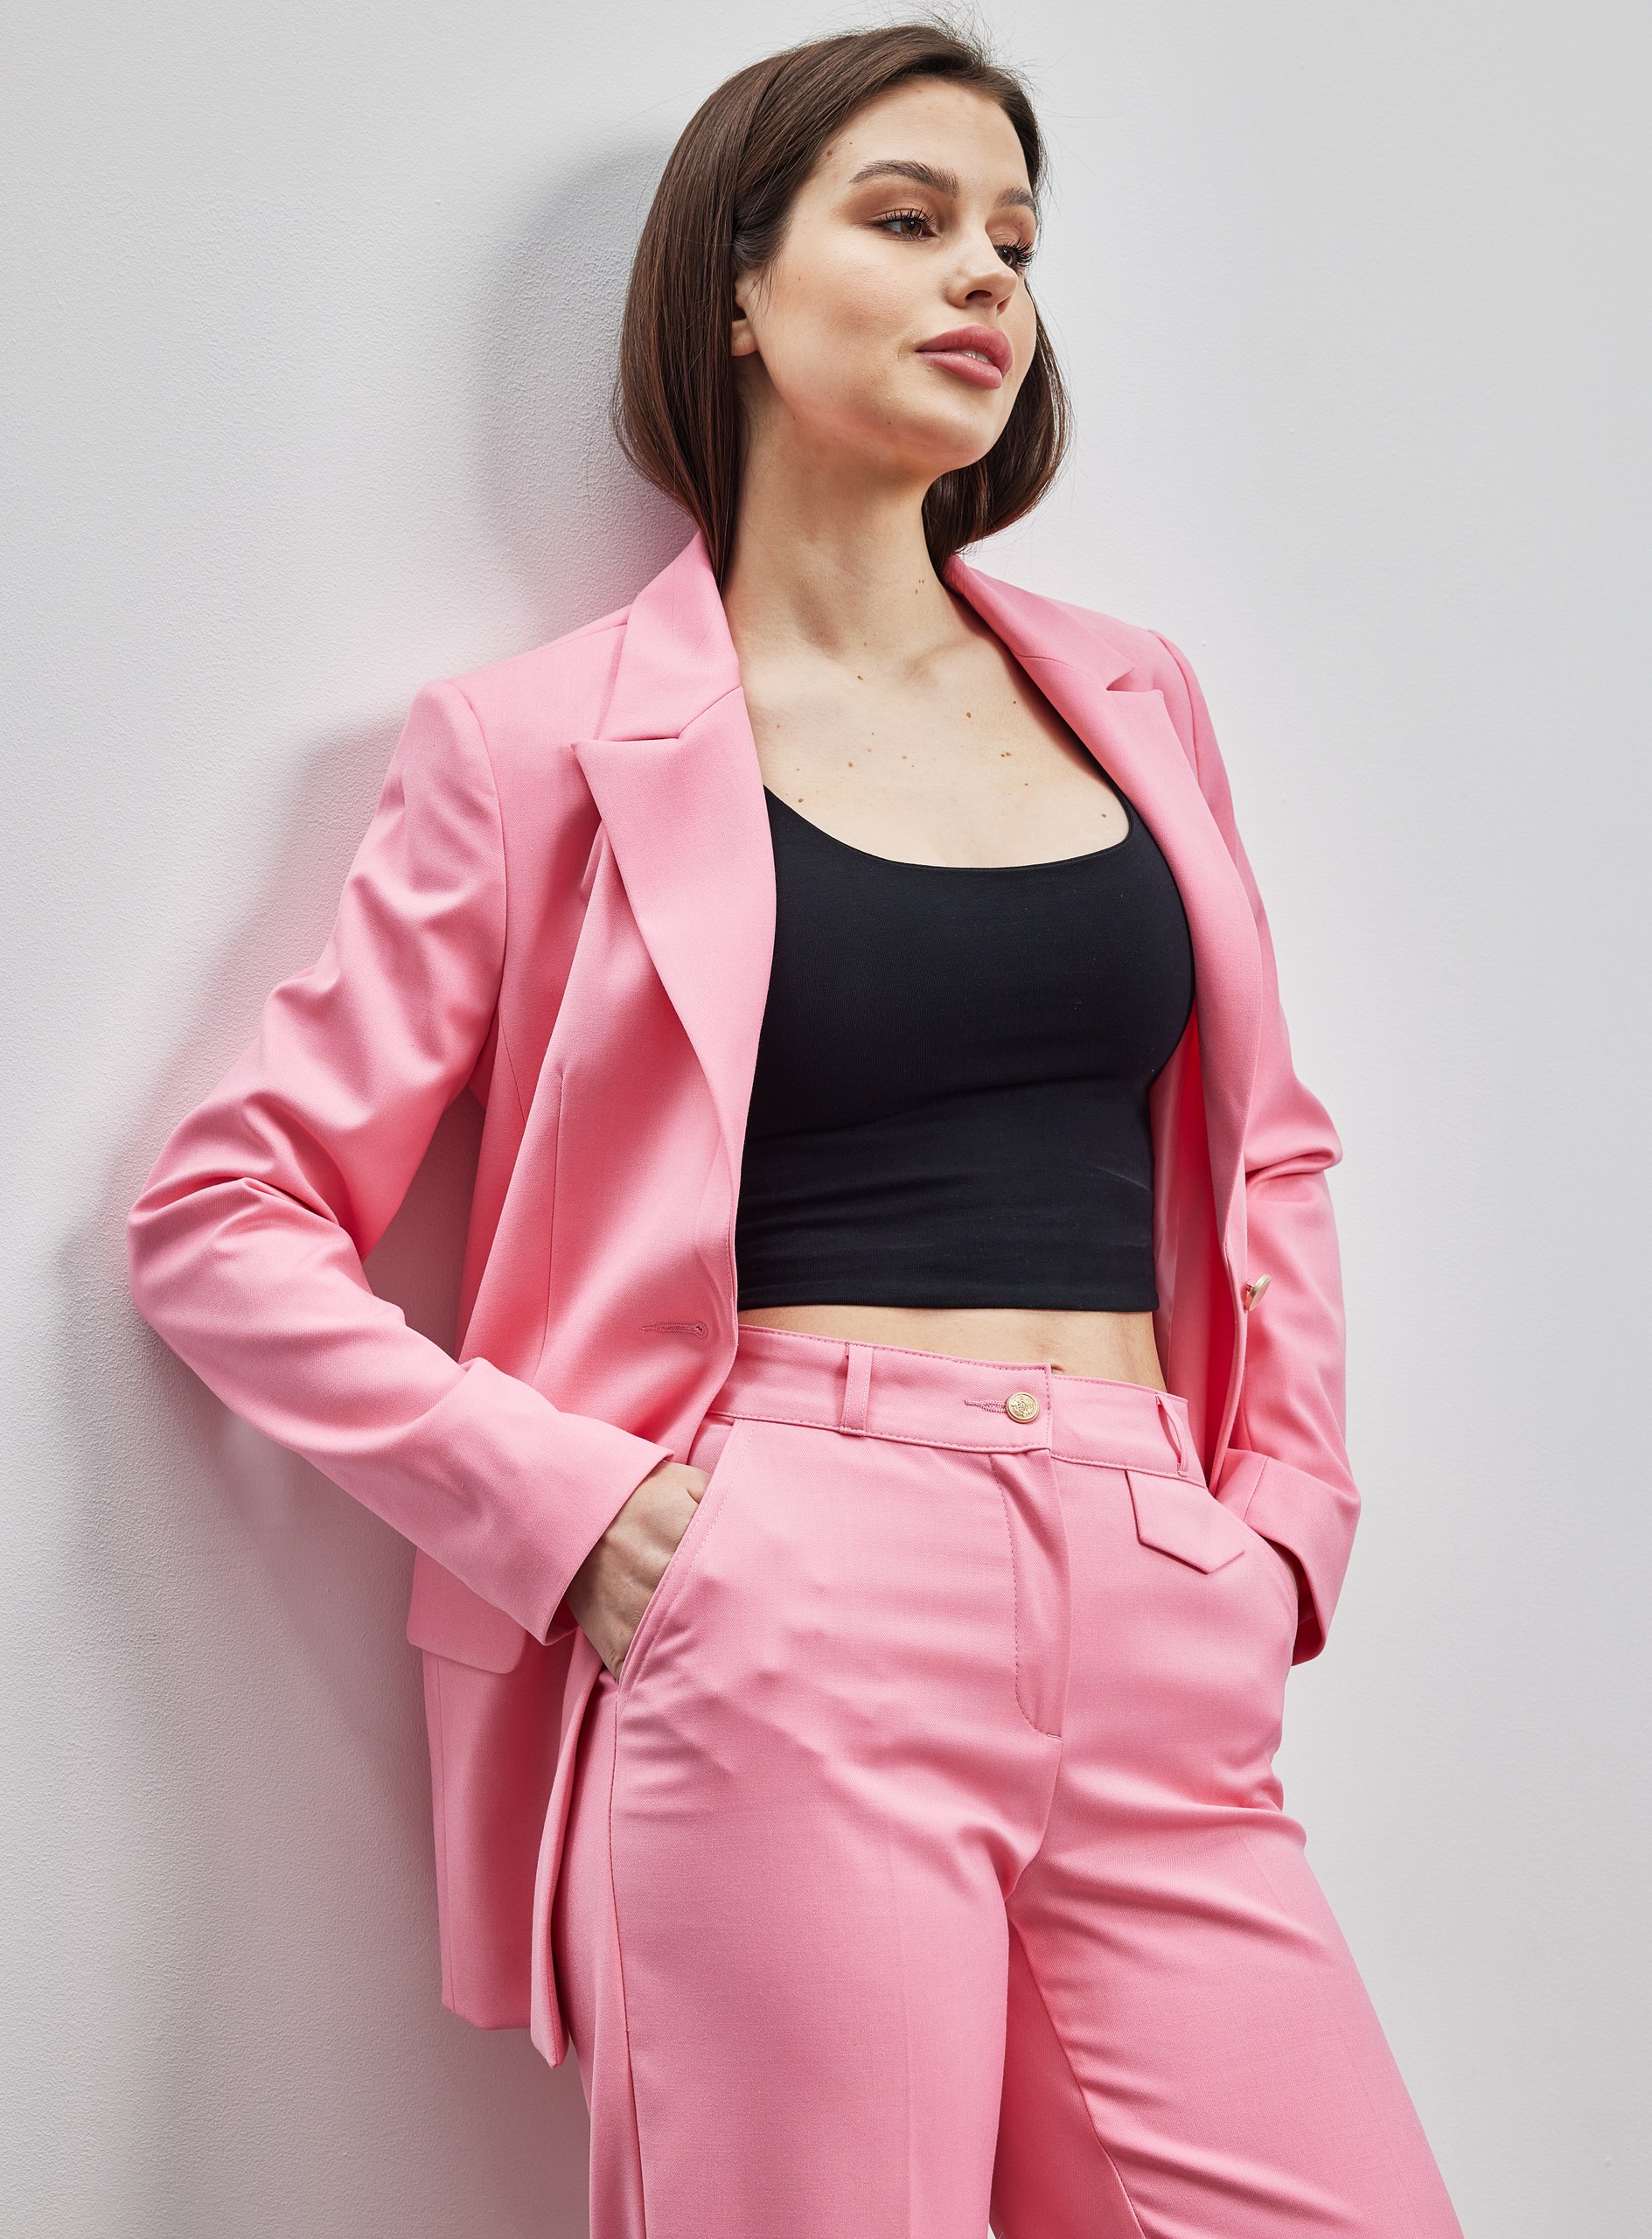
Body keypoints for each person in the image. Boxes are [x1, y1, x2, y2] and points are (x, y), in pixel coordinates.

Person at [127, 21, 1464, 2237]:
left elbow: (1273, 1148)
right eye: (910, 219)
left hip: (1159, 1586)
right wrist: (574, 1511)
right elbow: (223, 1216)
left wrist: (1283, 1527)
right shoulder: (542, 745)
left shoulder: (1136, 699)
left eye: (1017, 239)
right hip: (791, 1587)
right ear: (735, 288)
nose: (987, 278)